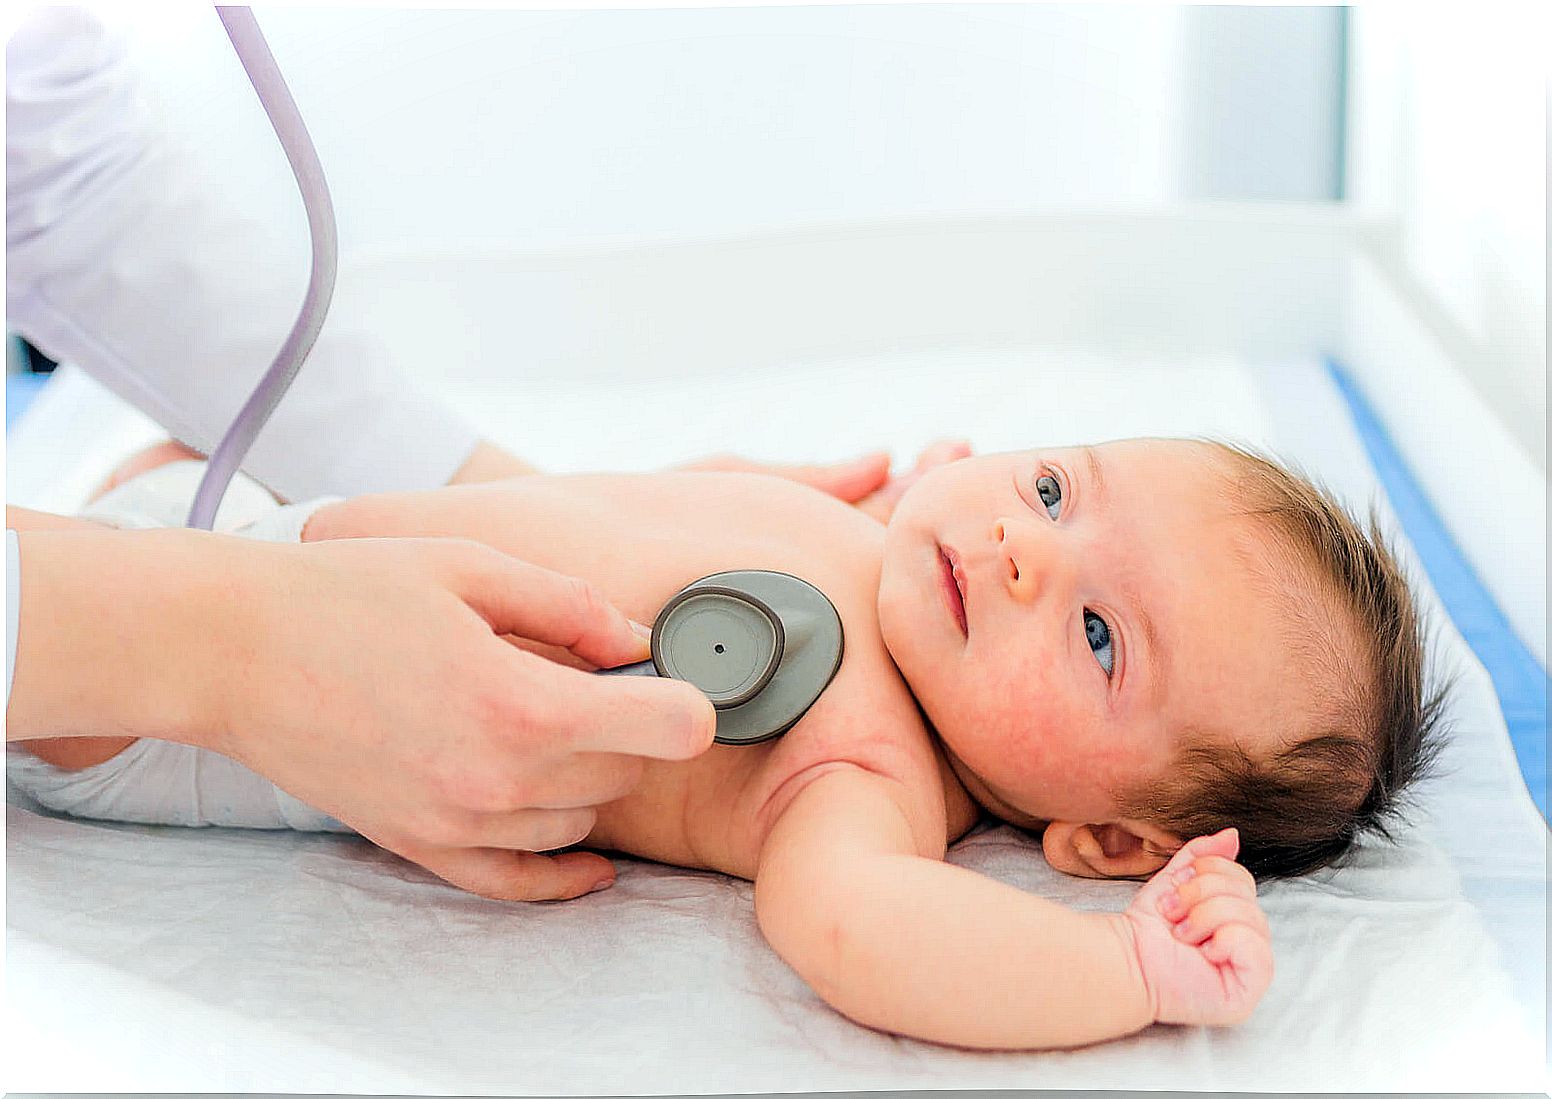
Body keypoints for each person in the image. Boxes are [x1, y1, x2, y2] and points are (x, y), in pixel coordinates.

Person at [11, 433, 1446, 1050]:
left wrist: (1123, 968)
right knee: (135, 486)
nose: (1019, 547)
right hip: (255, 550)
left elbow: (854, 927)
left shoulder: (867, 776)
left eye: (1095, 635)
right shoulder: (876, 541)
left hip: (191, 713)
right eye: (1061, 486)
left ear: (1113, 837)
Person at [3, 5, 899, 900]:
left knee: (168, 474)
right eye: (1046, 491)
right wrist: (241, 649)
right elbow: (852, 919)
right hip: (92, 671)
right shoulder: (866, 779)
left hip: (125, 571)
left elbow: (50, 165)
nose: (1021, 554)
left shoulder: (883, 759)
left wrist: (560, 518)